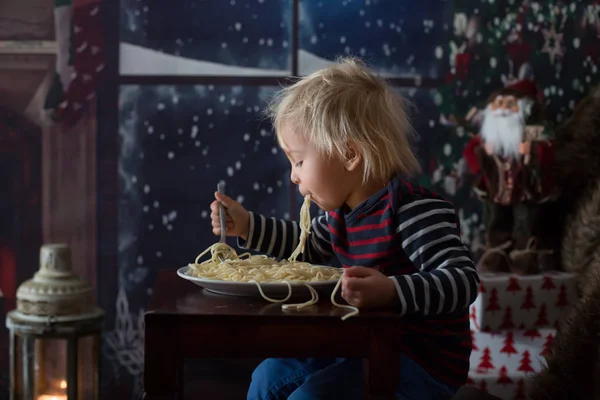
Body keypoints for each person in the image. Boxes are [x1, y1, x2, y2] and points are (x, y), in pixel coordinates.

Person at [210, 57, 480, 400]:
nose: (293, 175)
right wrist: (247, 225)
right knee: (266, 377)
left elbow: (462, 280)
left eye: (300, 161)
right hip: (358, 343)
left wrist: (392, 291)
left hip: (419, 363)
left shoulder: (411, 211)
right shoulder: (341, 215)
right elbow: (303, 244)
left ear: (349, 155)